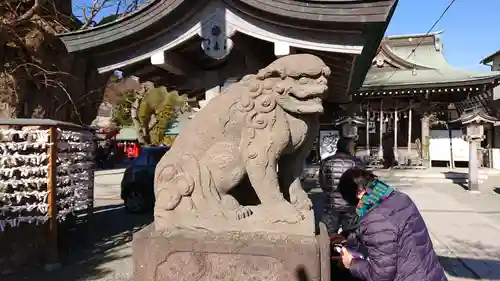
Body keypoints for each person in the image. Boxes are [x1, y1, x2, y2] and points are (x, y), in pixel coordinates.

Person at [337, 167, 447, 281]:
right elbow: (384, 238)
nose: (356, 207)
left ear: (359, 193)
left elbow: (379, 276)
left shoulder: (375, 218)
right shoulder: (398, 197)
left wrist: (352, 263)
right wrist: (347, 238)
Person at [319, 137, 365, 236]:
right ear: (348, 148)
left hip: (331, 205)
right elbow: (362, 185)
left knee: (329, 235)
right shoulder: (357, 163)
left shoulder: (327, 162)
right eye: (353, 147)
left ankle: (330, 250)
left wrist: (331, 194)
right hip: (351, 206)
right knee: (351, 235)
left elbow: (323, 183)